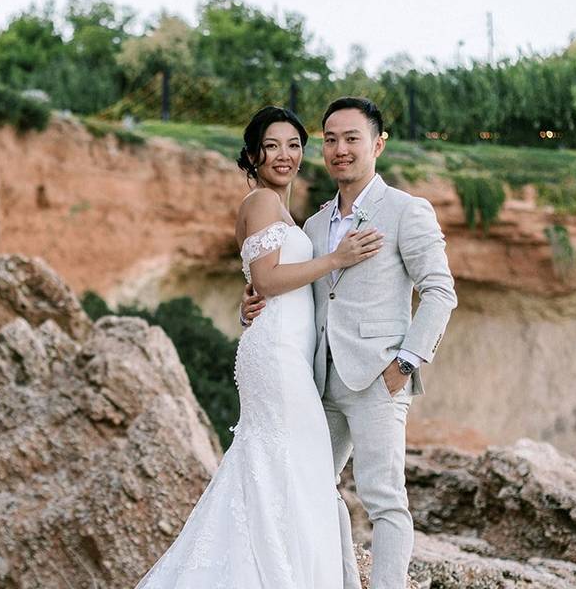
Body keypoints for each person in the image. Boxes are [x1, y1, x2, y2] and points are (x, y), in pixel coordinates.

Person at [135, 106, 383, 588]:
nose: (285, 155)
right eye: (272, 146)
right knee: (297, 463)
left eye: (294, 145)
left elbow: (257, 282)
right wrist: (336, 257)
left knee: (280, 467)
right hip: (277, 358)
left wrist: (247, 302)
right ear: (253, 155)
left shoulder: (280, 211)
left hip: (279, 348)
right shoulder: (262, 203)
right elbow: (267, 279)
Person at [241, 97, 457, 589]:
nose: (340, 149)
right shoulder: (314, 225)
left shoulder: (406, 210)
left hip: (379, 378)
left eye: (352, 138)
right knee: (317, 487)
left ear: (377, 144)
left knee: (385, 499)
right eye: (331, 139)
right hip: (317, 380)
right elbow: (292, 285)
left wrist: (405, 363)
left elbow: (441, 292)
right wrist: (250, 300)